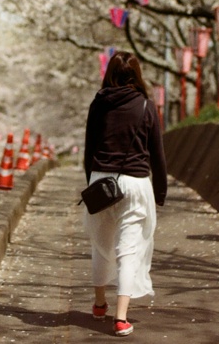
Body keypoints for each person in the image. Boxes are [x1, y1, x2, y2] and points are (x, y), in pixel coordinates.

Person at [83, 51, 167, 337]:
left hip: (101, 181)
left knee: (100, 244)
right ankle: (120, 319)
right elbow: (157, 154)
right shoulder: (146, 106)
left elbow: (89, 148)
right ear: (137, 75)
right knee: (127, 251)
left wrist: (92, 183)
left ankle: (98, 304)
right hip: (135, 184)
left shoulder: (99, 103)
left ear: (110, 73)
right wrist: (160, 192)